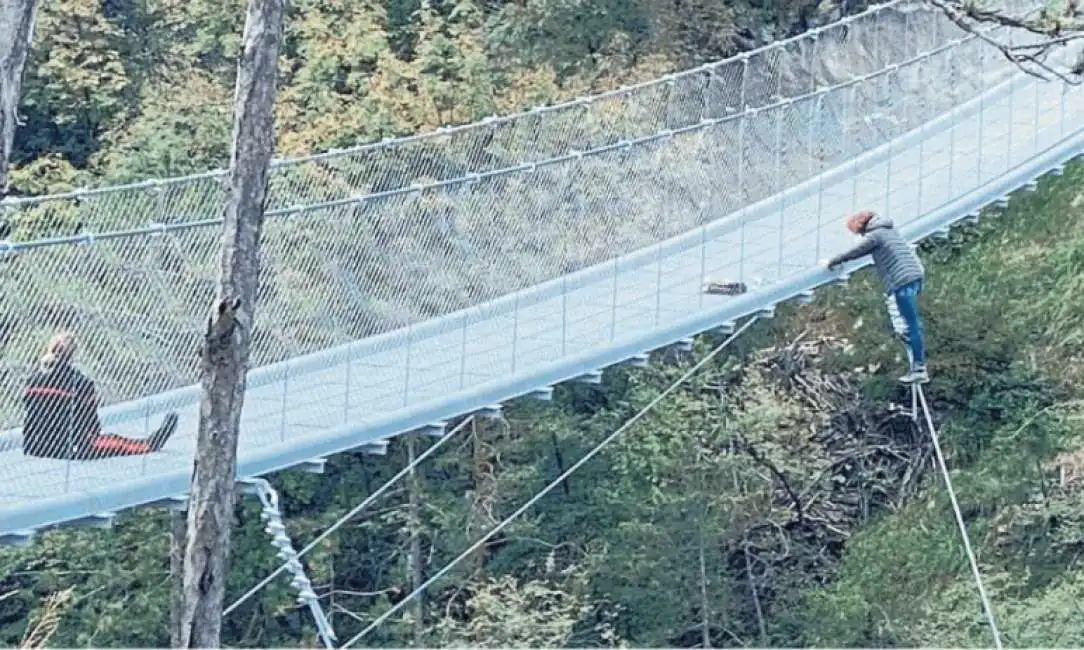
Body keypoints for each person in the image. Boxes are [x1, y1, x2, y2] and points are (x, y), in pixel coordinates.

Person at [22, 331, 179, 460]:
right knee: (116, 442)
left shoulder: (32, 381)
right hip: (71, 447)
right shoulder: (81, 382)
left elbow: (30, 416)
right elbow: (90, 422)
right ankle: (150, 444)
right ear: (73, 355)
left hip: (36, 446)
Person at [825, 210, 929, 384]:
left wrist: (833, 261)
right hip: (915, 277)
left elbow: (856, 251)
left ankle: (919, 368)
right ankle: (913, 355)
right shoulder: (888, 230)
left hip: (901, 281)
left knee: (910, 326)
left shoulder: (876, 235)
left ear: (860, 224)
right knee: (908, 323)